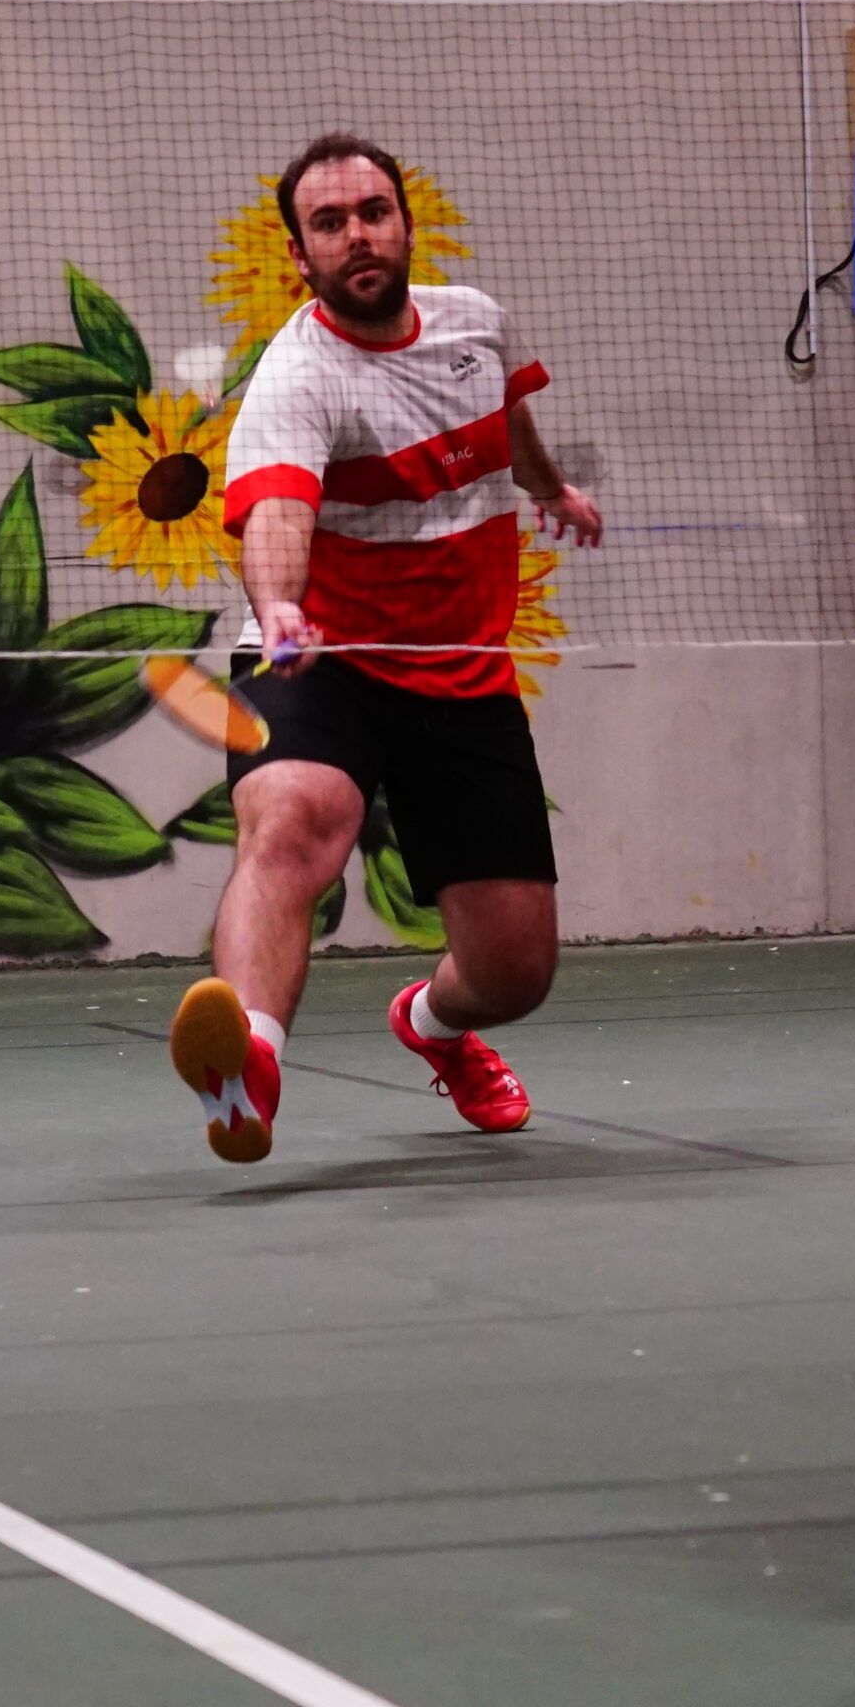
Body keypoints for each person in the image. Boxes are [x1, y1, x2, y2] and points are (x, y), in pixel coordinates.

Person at [168, 133, 601, 1164]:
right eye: (329, 223)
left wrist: (548, 488)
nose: (356, 235)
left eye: (372, 212)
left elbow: (506, 415)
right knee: (292, 820)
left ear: (405, 225)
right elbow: (276, 515)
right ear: (299, 254)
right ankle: (247, 1066)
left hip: (460, 670)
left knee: (513, 973)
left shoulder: (475, 324)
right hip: (323, 655)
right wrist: (278, 607)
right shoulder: (297, 377)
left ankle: (433, 1023)